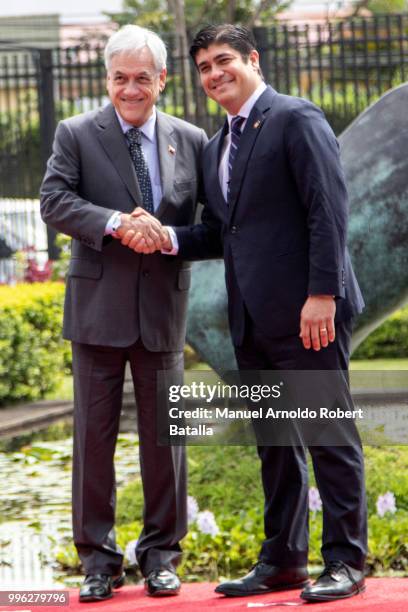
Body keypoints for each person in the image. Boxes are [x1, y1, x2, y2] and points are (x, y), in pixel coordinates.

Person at [123, 24, 368, 603]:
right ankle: (284, 561)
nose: (214, 74)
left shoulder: (296, 119)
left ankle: (347, 561)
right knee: (276, 447)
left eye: (224, 60)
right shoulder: (217, 145)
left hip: (310, 314)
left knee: (329, 437)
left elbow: (327, 211)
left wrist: (323, 294)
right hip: (252, 320)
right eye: (204, 66)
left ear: (253, 59)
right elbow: (222, 232)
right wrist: (167, 239)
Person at [40, 24, 207, 602]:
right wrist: (117, 225)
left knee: (167, 443)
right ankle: (98, 561)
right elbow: (54, 201)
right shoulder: (76, 134)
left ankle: (161, 555)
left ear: (161, 80)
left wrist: (166, 237)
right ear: (106, 80)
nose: (130, 89)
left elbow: (212, 224)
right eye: (119, 78)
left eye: (141, 78)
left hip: (162, 312)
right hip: (96, 313)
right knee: (93, 442)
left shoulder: (191, 139)